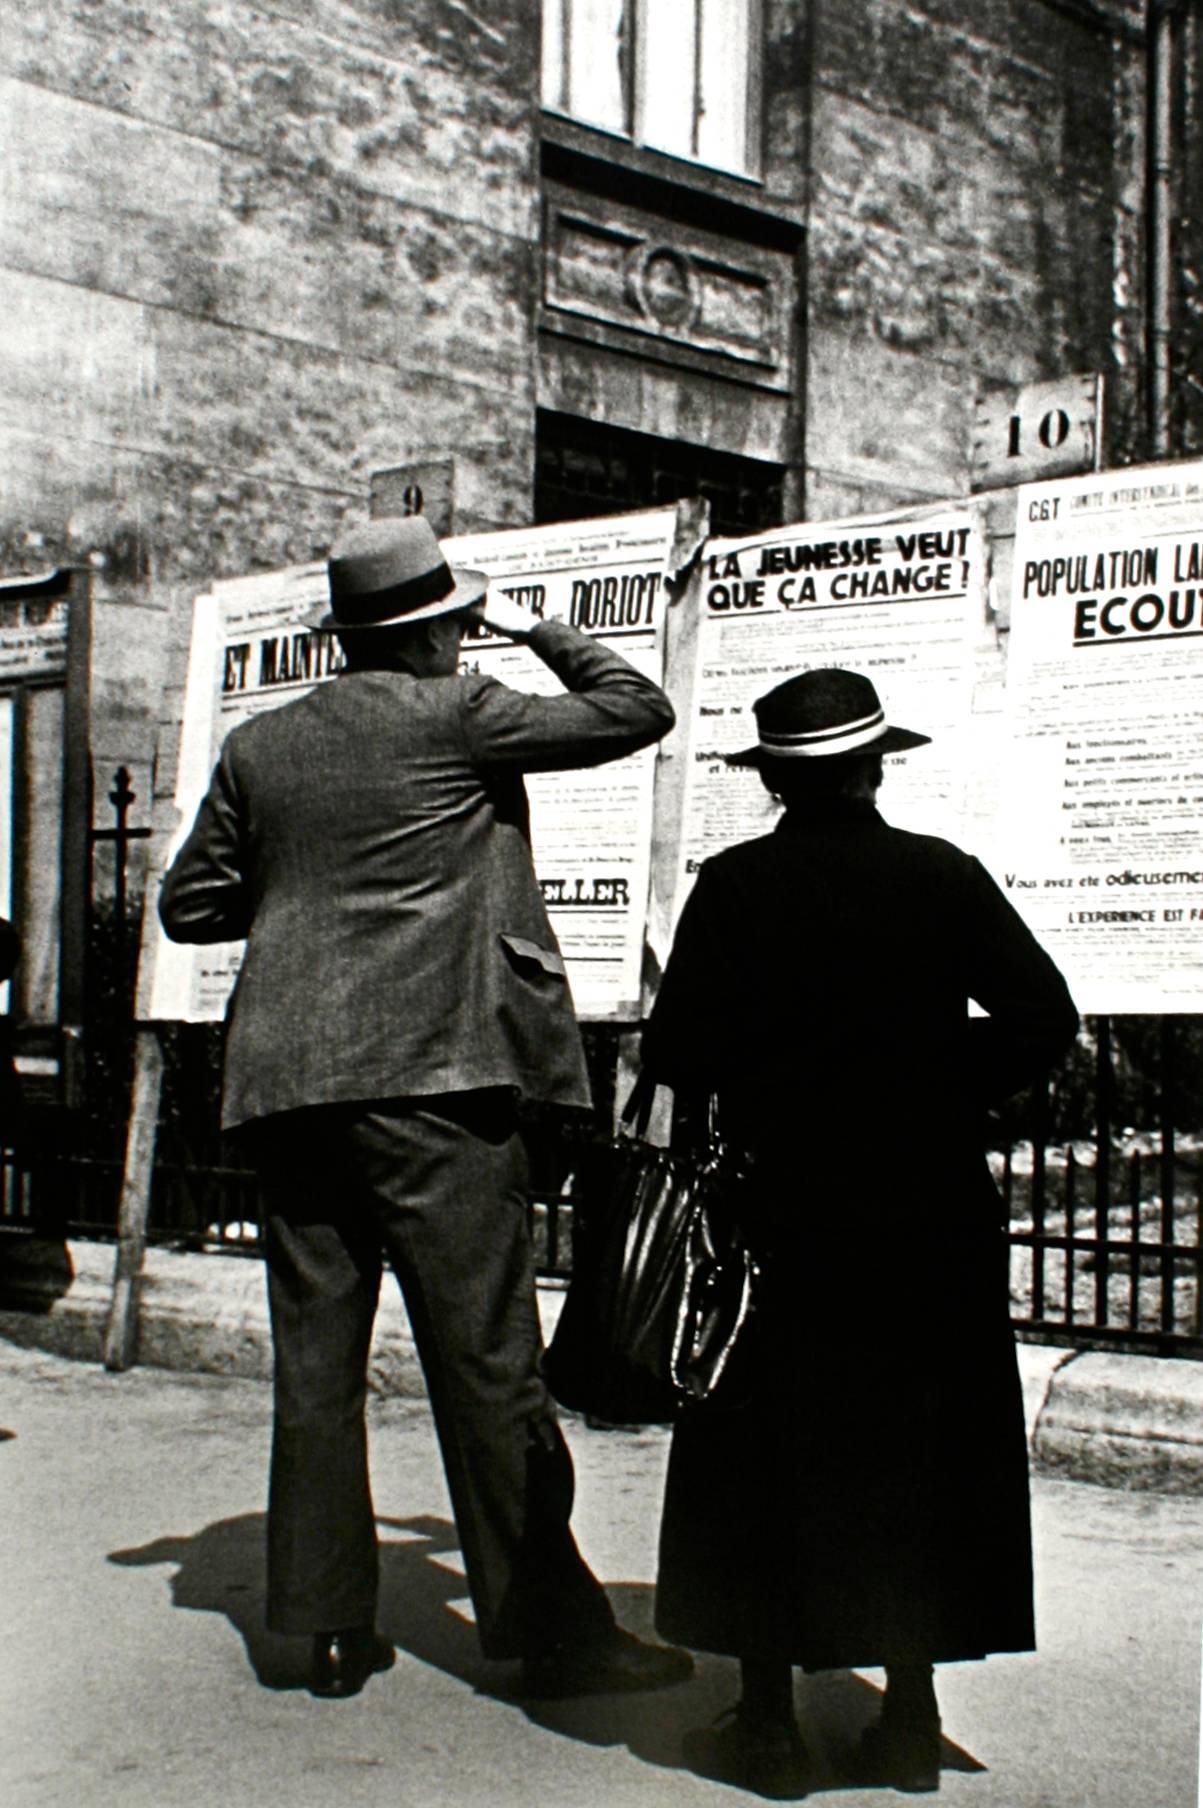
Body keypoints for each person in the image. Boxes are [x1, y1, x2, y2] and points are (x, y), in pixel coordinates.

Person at [159, 514, 691, 1701]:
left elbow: (191, 906)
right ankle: (551, 1633)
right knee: (487, 1362)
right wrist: (533, 626)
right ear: (439, 625)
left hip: (293, 1089)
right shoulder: (463, 709)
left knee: (316, 1363)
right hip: (438, 1085)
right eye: (457, 619)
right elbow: (635, 706)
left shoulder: (262, 747)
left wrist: (310, 895)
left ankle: (327, 1630)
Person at [640, 667, 1078, 1795]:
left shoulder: (735, 886)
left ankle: (771, 1723)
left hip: (780, 1209)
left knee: (769, 1450)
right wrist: (934, 1082)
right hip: (927, 1209)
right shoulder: (941, 876)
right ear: (879, 766)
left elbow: (679, 1051)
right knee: (917, 1454)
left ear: (777, 776)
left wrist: (780, 1072)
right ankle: (910, 1720)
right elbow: (1043, 1016)